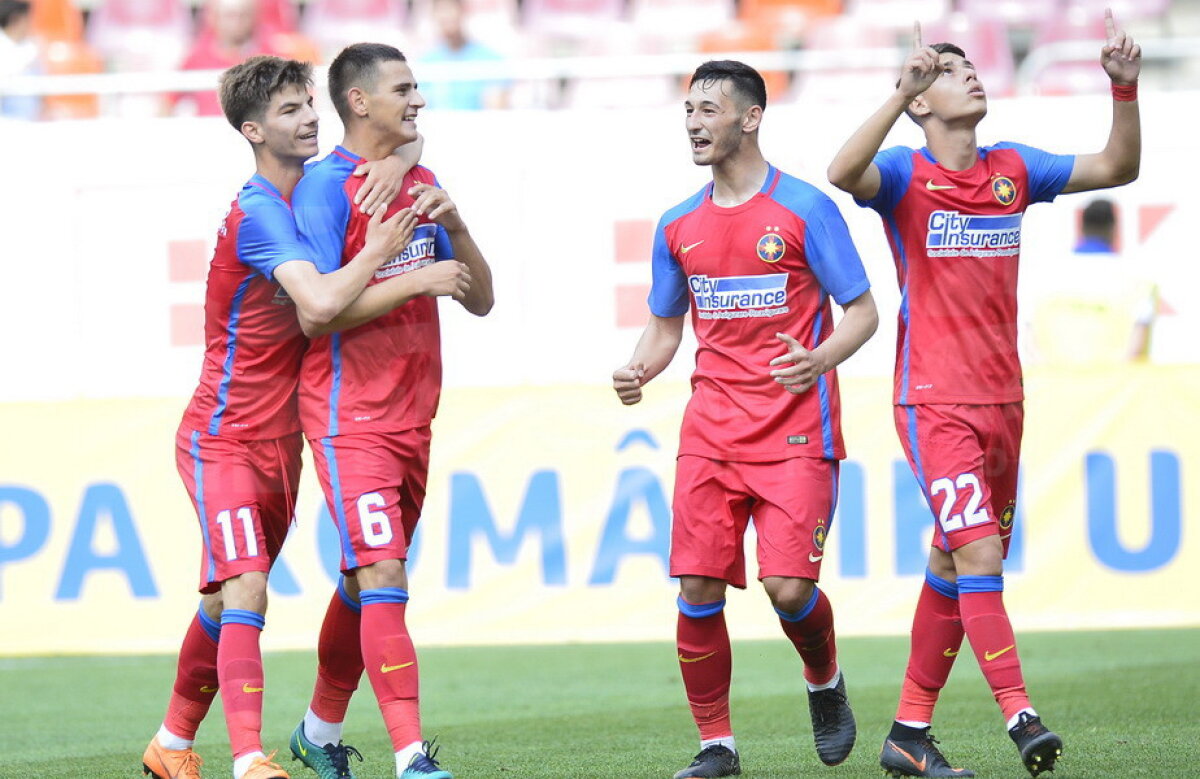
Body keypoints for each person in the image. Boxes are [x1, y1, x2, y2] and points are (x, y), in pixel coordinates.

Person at [826, 11, 1140, 778]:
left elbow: (1116, 167)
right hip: (933, 401)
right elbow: (841, 171)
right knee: (979, 549)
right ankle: (1019, 712)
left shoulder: (1014, 169)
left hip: (1005, 401)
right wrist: (899, 94)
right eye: (949, 71)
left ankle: (908, 732)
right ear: (923, 103)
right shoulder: (903, 174)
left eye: (971, 67)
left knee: (952, 558)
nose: (969, 73)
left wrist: (1124, 88)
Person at [141, 54, 458, 779]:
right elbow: (318, 309)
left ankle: (171, 740)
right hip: (223, 435)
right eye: (289, 111)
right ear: (251, 130)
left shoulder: (312, 194)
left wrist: (402, 152)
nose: (309, 118)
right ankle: (250, 758)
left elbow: (400, 144)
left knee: (227, 596)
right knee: (248, 583)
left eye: (309, 105)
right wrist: (392, 255)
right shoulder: (258, 212)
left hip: (284, 438)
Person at [613, 60, 877, 779]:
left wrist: (818, 359)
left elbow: (864, 311)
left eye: (708, 109)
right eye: (688, 110)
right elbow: (665, 328)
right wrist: (640, 367)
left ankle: (824, 679)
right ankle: (717, 746)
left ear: (751, 117)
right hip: (710, 432)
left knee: (788, 588)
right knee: (696, 587)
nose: (693, 122)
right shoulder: (678, 224)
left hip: (796, 429)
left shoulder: (804, 208)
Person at [287, 42, 494, 779]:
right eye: (405, 88)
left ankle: (317, 729)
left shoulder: (421, 177)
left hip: (412, 418)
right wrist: (416, 282)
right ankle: (412, 753)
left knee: (359, 579)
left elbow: (480, 298)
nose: (419, 100)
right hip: (349, 416)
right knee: (382, 572)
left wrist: (459, 226)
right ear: (359, 101)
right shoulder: (319, 192)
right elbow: (315, 314)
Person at [419, 0, 509, 110]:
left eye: (450, 8)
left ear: (462, 11)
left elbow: (496, 108)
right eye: (441, 9)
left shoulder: (490, 59)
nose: (446, 16)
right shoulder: (425, 63)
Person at [0, 0, 41, 120]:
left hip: (31, 120)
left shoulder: (31, 47)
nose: (31, 24)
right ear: (15, 19)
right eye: (27, 19)